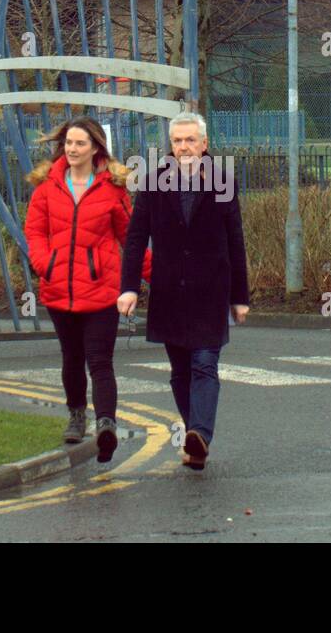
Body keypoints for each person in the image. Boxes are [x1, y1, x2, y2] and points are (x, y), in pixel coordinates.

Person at [118, 111, 250, 471]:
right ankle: (196, 440)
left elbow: (235, 240)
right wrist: (129, 287)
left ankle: (200, 434)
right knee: (180, 371)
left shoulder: (222, 181)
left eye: (191, 140)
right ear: (170, 145)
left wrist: (240, 296)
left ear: (204, 144)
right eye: (177, 141)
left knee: (204, 364)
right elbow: (135, 238)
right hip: (169, 291)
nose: (184, 147)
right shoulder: (153, 180)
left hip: (211, 290)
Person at [24, 116, 149, 463]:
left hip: (101, 291)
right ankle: (76, 415)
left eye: (80, 143)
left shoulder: (113, 188)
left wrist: (160, 276)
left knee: (100, 360)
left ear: (96, 147)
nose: (73, 149)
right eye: (68, 143)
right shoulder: (46, 188)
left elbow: (131, 240)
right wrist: (44, 263)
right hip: (59, 289)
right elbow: (34, 232)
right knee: (72, 358)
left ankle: (105, 424)